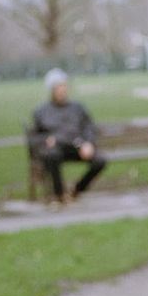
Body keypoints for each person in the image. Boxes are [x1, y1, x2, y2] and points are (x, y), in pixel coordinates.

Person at [28, 69, 107, 203]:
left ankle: (77, 189)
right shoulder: (42, 112)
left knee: (100, 161)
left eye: (64, 86)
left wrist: (89, 143)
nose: (62, 90)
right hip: (56, 150)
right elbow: (35, 136)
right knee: (51, 156)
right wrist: (46, 140)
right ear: (51, 89)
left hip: (77, 147)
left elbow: (89, 127)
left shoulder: (77, 108)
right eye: (58, 87)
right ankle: (59, 194)